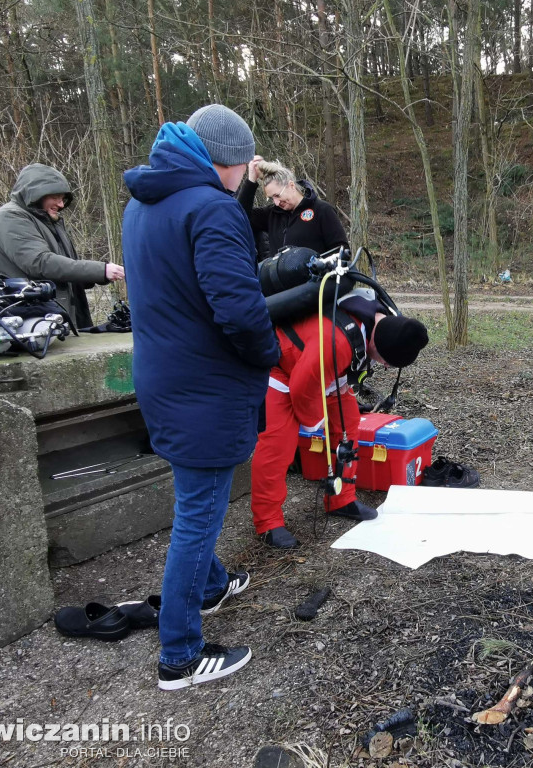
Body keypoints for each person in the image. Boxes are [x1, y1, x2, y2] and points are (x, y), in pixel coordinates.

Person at [122, 104, 281, 689]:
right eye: (244, 166)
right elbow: (237, 309)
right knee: (199, 511)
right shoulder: (212, 207)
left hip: (163, 378)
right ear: (229, 162)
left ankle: (211, 586)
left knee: (194, 494)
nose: (246, 178)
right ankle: (181, 655)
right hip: (204, 386)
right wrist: (269, 352)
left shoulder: (143, 203)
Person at [251, 300, 428, 549]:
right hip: (281, 366)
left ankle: (341, 499)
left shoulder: (382, 319)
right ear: (376, 344)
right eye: (385, 362)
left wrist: (344, 380)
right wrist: (315, 422)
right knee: (278, 445)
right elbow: (302, 389)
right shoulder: (337, 343)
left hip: (327, 368)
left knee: (348, 425)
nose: (385, 366)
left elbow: (349, 362)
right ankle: (268, 522)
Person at [0, 163, 125, 329]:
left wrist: (100, 275)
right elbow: (40, 263)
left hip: (56, 318)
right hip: (28, 321)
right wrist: (101, 270)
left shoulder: (48, 221)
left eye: (63, 198)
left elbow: (66, 269)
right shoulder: (10, 217)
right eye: (55, 197)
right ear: (36, 194)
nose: (61, 204)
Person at [237, 157, 348, 260]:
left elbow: (341, 251)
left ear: (291, 186)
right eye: (271, 198)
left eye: (277, 195)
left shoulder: (322, 210)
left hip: (317, 280)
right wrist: (251, 181)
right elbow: (239, 216)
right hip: (279, 280)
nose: (276, 203)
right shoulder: (272, 214)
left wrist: (317, 269)